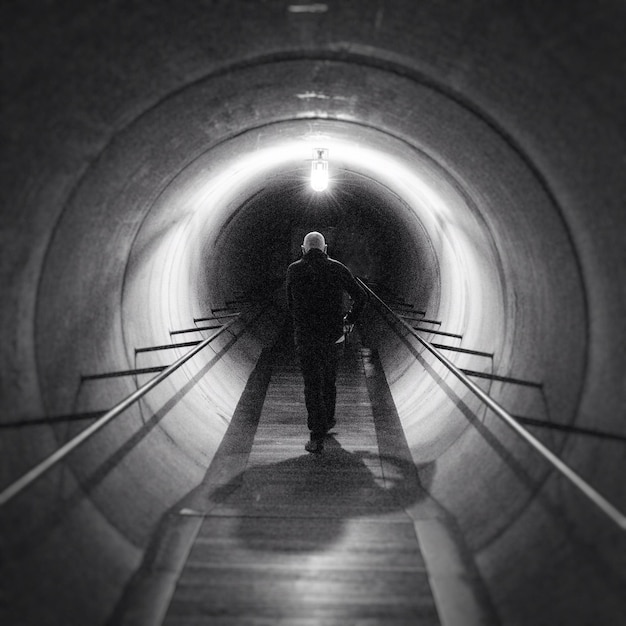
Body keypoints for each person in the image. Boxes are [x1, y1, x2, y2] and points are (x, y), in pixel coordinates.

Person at [286, 231, 368, 453]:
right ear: (325, 248)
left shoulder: (294, 269)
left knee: (312, 384)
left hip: (306, 337)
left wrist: (302, 322)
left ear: (303, 249)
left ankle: (316, 434)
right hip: (334, 335)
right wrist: (349, 319)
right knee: (329, 379)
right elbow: (361, 297)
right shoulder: (338, 268)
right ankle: (328, 418)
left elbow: (291, 304)